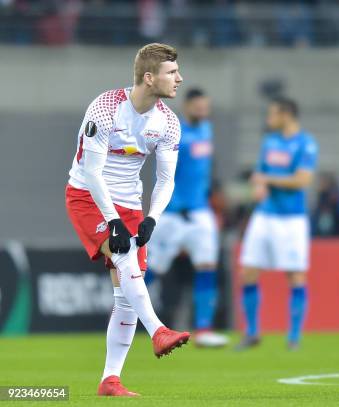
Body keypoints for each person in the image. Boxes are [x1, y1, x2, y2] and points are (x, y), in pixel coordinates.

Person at [65, 43, 189, 397]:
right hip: (88, 196)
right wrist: (113, 220)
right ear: (149, 78)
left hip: (131, 206)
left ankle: (110, 380)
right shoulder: (105, 109)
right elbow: (91, 173)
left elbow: (166, 180)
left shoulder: (167, 122)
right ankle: (159, 331)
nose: (179, 78)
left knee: (125, 295)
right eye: (171, 72)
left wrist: (151, 218)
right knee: (124, 258)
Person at [146, 88, 228, 348]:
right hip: (172, 214)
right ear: (187, 106)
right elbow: (164, 173)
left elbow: (204, 172)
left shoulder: (207, 131)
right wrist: (175, 203)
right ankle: (121, 315)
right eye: (198, 107)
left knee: (207, 265)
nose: (203, 111)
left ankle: (203, 329)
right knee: (153, 269)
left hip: (200, 213)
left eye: (206, 107)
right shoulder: (174, 132)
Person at [236, 96, 318, 351]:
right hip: (264, 215)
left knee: (295, 275)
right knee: (248, 271)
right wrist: (260, 186)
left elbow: (302, 180)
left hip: (292, 219)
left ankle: (293, 337)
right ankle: (252, 333)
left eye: (273, 114)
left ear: (287, 115)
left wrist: (267, 179)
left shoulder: (306, 144)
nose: (269, 119)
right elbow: (261, 174)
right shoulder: (269, 142)